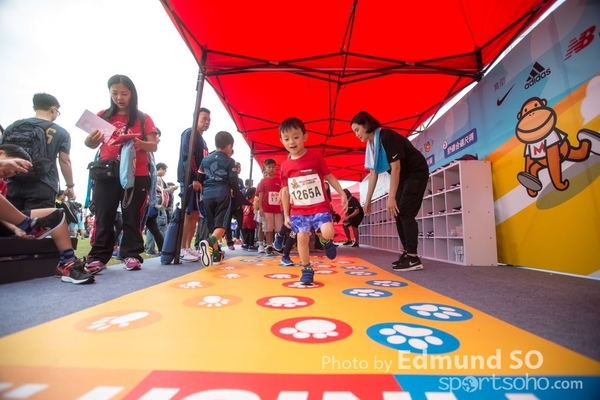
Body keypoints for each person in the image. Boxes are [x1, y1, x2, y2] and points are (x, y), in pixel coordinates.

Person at [83, 74, 158, 272]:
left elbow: (153, 145)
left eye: (124, 93)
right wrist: (90, 140)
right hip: (106, 172)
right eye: (114, 93)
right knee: (104, 214)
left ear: (132, 93)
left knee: (131, 215)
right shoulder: (102, 115)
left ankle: (131, 254)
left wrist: (139, 143)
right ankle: (98, 256)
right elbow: (91, 144)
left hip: (136, 173)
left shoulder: (142, 118)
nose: (119, 98)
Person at [0, 144, 93, 284]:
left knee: (56, 214)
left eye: (15, 172)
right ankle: (28, 224)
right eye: (13, 165)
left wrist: (14, 228)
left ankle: (67, 263)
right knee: (36, 221)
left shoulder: (3, 184)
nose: (12, 172)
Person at [351, 111, 429, 271]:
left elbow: (396, 167)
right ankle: (407, 253)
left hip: (416, 172)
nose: (356, 134)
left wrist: (391, 197)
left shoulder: (386, 136)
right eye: (354, 131)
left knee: (405, 212)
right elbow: (373, 174)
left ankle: (413, 258)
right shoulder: (372, 146)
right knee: (397, 213)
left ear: (366, 125)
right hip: (404, 177)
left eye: (357, 130)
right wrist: (367, 200)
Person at [279, 117, 348, 285]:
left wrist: (342, 193)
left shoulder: (315, 158)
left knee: (328, 231)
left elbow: (329, 176)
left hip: (319, 207)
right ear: (281, 141)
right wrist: (286, 215)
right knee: (301, 237)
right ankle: (307, 269)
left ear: (305, 137)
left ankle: (325, 240)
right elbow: (285, 191)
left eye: (296, 137)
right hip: (298, 210)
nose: (291, 142)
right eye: (286, 139)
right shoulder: (285, 166)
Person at [1, 93, 76, 211]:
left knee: (10, 220)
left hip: (12, 183)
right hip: (44, 185)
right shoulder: (61, 132)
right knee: (38, 222)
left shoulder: (13, 126)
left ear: (34, 108)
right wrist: (70, 186)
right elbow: (64, 161)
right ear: (53, 109)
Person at [197, 131, 244, 266]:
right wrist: (236, 195)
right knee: (222, 225)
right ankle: (209, 242)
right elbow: (233, 180)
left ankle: (216, 255)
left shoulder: (205, 159)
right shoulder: (230, 161)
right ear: (229, 146)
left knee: (212, 226)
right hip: (222, 194)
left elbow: (200, 177)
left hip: (207, 195)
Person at [177, 108, 211, 262]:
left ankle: (188, 246)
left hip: (199, 183)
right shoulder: (189, 133)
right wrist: (193, 178)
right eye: (204, 118)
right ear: (195, 118)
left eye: (209, 120)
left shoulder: (203, 142)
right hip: (189, 181)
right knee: (188, 213)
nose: (207, 122)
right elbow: (188, 156)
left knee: (195, 215)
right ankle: (182, 248)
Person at [255, 158, 283, 255]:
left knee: (279, 229)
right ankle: (269, 246)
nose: (271, 169)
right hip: (267, 209)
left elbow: (282, 194)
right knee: (268, 228)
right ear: (265, 169)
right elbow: (260, 195)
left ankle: (277, 244)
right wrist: (260, 208)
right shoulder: (263, 181)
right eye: (269, 167)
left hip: (278, 209)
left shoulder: (279, 180)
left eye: (273, 167)